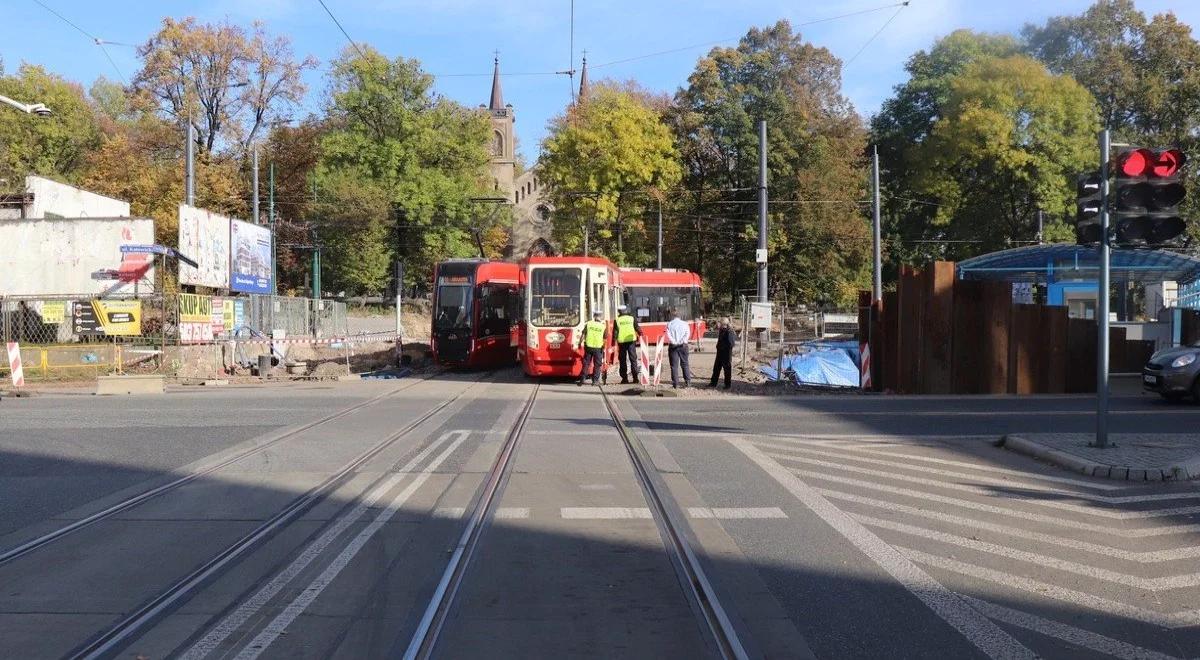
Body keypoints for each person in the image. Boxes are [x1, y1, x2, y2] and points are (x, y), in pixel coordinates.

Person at [577, 309, 607, 386]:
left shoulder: (589, 324)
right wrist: (604, 347)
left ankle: (582, 378)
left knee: (586, 363)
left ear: (594, 317)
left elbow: (583, 334)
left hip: (588, 347)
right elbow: (605, 339)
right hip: (598, 348)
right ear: (600, 317)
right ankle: (595, 381)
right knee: (597, 364)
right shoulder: (603, 327)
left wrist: (579, 343)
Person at [615, 304, 643, 384]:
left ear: (619, 312)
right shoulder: (632, 318)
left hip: (622, 342)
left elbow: (615, 333)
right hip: (631, 341)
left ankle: (624, 379)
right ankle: (635, 378)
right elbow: (637, 327)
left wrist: (614, 341)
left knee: (623, 360)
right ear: (626, 311)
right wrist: (641, 334)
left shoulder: (617, 320)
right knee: (633, 359)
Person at [665, 308, 691, 388]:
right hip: (683, 346)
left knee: (674, 366)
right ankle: (688, 382)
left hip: (673, 347)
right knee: (685, 364)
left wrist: (674, 342)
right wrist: (683, 341)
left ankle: (676, 383)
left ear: (672, 316)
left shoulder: (669, 324)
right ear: (680, 316)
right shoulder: (685, 324)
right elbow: (687, 334)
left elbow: (668, 335)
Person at [710, 317, 735, 390]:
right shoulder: (722, 330)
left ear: (723, 324)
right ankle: (713, 383)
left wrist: (723, 347)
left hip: (726, 353)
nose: (719, 325)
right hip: (720, 352)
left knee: (727, 369)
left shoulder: (729, 331)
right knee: (716, 368)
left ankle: (727, 385)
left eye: (720, 323)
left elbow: (731, 344)